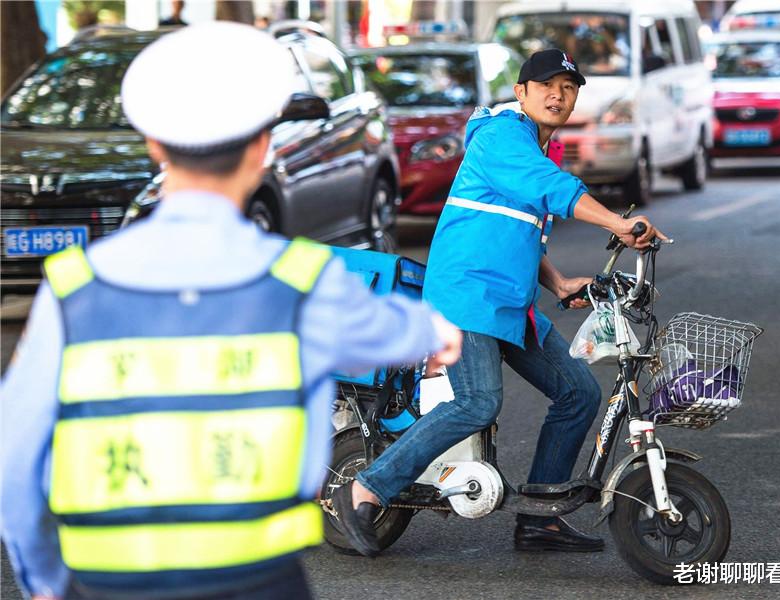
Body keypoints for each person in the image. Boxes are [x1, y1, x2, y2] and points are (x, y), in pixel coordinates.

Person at [0, 22, 462, 600]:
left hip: (107, 579)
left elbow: (16, 460)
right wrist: (436, 330)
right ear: (261, 148)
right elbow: (403, 333)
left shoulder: (73, 288)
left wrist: (43, 579)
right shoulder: (304, 280)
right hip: (255, 579)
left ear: (153, 146)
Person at [332, 48, 666, 557]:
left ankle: (540, 521)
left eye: (569, 88)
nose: (558, 95)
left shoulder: (537, 146)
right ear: (521, 92)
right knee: (477, 401)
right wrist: (619, 222)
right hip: (466, 295)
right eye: (546, 85)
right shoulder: (500, 136)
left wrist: (556, 283)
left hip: (510, 302)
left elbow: (519, 230)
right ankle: (365, 489)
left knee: (578, 394)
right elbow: (549, 190)